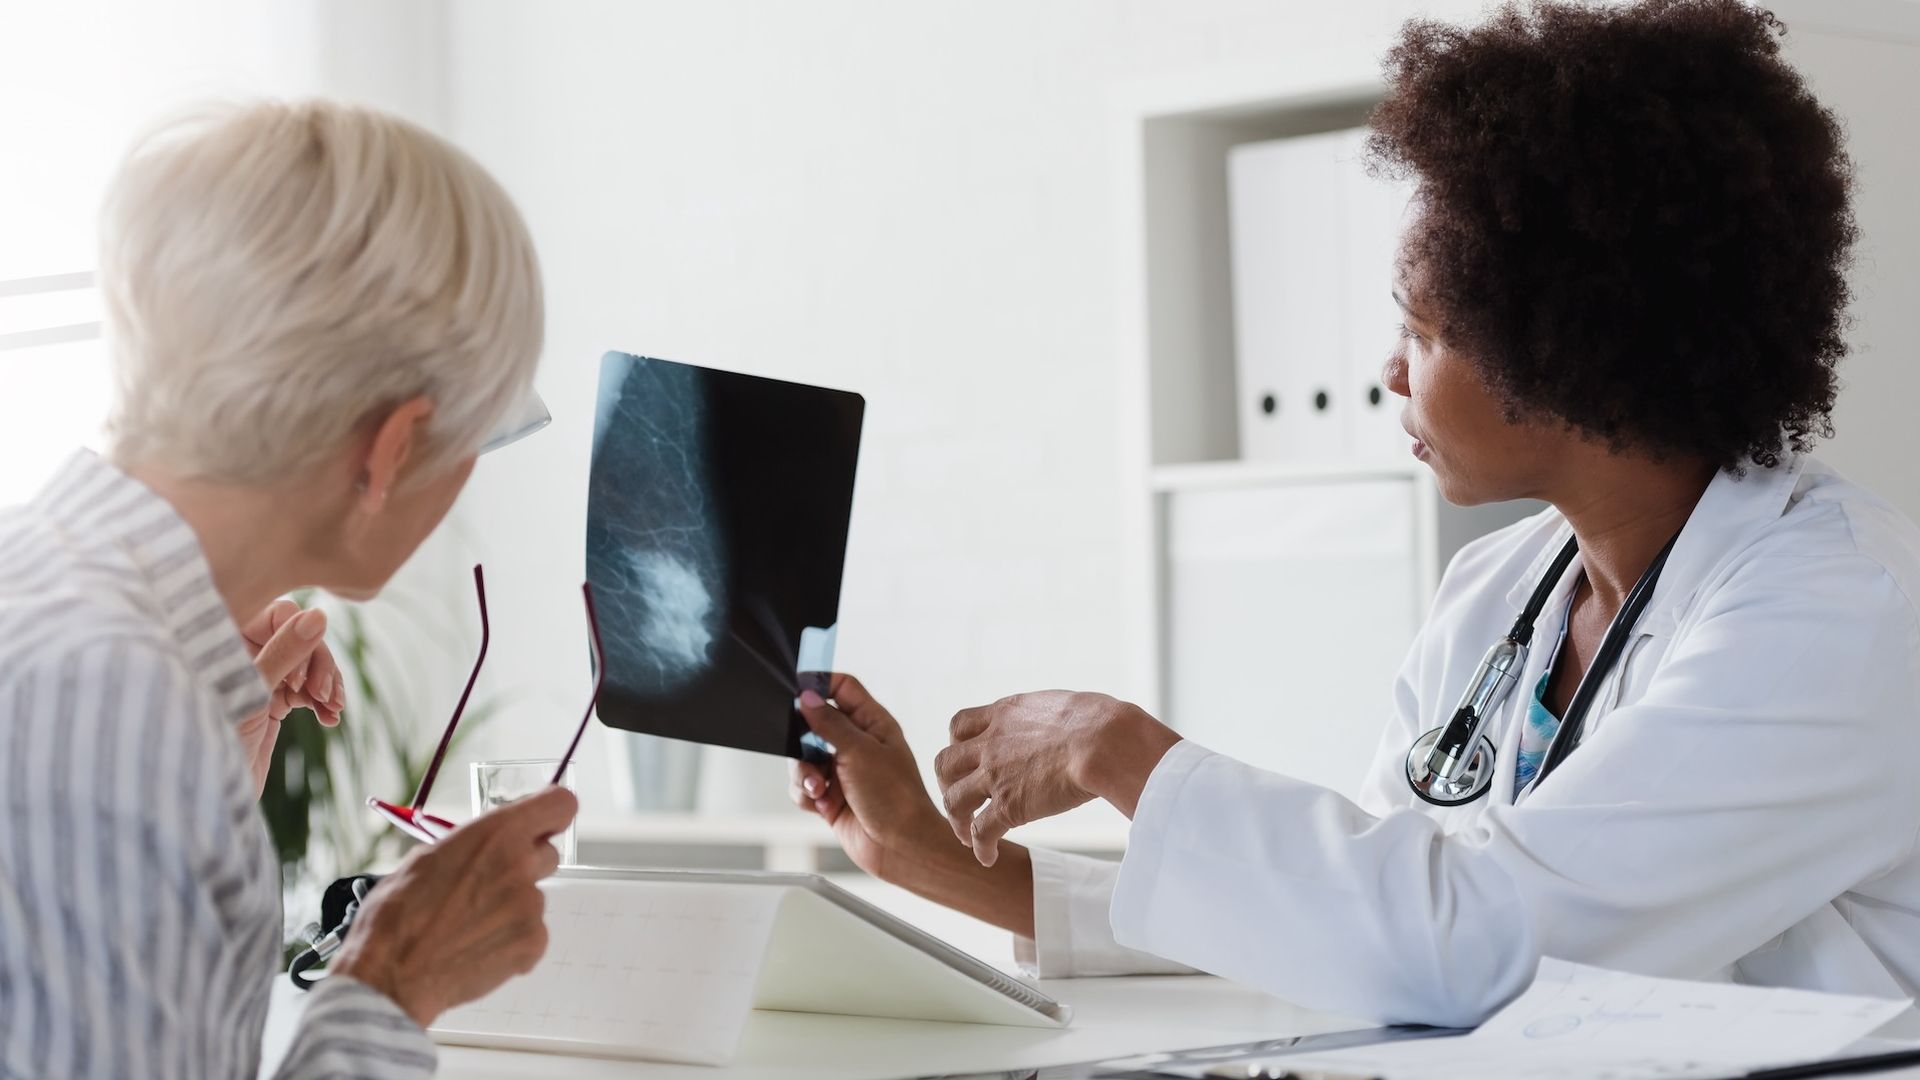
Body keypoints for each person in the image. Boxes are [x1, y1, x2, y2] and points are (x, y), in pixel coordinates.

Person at [792, 0, 1920, 1028]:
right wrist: (930, 863)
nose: (1388, 370)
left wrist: (1117, 751)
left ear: (1573, 344)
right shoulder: (1501, 594)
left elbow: (1463, 941)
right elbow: (1348, 930)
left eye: (1425, 330)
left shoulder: (1841, 615)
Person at [0, 101, 573, 1078]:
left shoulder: (60, 612)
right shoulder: (110, 696)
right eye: (473, 440)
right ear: (391, 450)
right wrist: (393, 983)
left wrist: (193, 779)